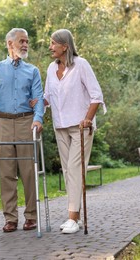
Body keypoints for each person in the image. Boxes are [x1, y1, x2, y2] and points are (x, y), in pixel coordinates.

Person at [0, 28, 44, 233]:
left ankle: (31, 216)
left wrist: (38, 118)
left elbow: (38, 99)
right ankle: (10, 218)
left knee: (28, 172)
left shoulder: (32, 71)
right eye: (21, 41)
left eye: (27, 42)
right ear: (9, 44)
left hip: (26, 122)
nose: (25, 45)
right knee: (6, 173)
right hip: (2, 122)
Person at [41, 29, 106, 234]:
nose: (50, 47)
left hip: (80, 127)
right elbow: (48, 97)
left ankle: (71, 217)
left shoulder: (81, 65)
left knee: (76, 169)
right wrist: (36, 102)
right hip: (60, 126)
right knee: (69, 171)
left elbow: (96, 96)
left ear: (65, 46)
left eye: (53, 43)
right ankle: (75, 218)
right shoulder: (51, 68)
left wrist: (88, 119)